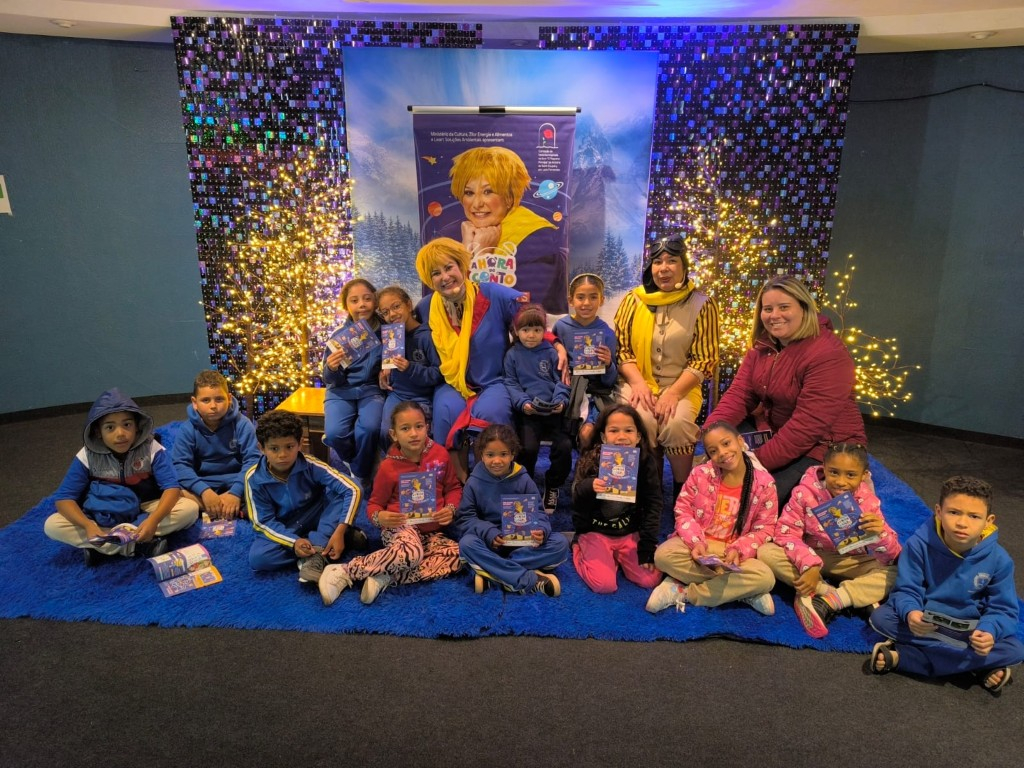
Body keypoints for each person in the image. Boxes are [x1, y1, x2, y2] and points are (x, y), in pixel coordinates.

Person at [705, 274, 865, 505]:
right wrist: (711, 434)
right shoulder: (763, 345)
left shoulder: (828, 353)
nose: (774, 315)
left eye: (784, 307)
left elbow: (806, 427)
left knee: (757, 499)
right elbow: (740, 394)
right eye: (768, 309)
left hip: (822, 445)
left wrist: (751, 463)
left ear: (804, 308)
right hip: (775, 429)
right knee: (722, 448)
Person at [415, 237, 565, 480]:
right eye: (436, 273)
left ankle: (493, 479)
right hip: (452, 383)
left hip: (493, 380)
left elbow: (529, 318)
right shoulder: (426, 308)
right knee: (446, 412)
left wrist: (555, 344)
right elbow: (409, 336)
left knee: (494, 414)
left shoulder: (494, 294)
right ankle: (459, 483)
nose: (445, 277)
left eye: (449, 267)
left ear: (461, 266)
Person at [869, 476, 1024, 693]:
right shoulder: (918, 545)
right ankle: (978, 666)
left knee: (1016, 649)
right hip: (926, 624)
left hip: (968, 631)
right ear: (938, 512)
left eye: (974, 516)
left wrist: (988, 632)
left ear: (988, 521)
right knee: (880, 618)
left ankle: (907, 658)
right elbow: (906, 589)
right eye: (954, 512)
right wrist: (911, 613)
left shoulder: (1000, 560)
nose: (962, 523)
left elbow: (1004, 609)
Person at [319, 402, 463, 606]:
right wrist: (380, 517)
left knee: (461, 556)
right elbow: (374, 505)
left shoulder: (440, 455)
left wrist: (450, 508)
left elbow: (454, 488)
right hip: (400, 528)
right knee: (411, 553)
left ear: (427, 427)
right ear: (394, 434)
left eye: (419, 426)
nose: (414, 433)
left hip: (432, 532)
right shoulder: (388, 467)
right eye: (405, 428)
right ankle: (345, 570)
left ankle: (387, 575)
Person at [613, 234, 720, 500]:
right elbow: (622, 349)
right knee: (640, 421)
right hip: (637, 381)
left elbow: (704, 359)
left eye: (671, 261)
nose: (664, 268)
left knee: (677, 423)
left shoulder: (702, 304)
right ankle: (647, 492)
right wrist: (638, 384)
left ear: (683, 266)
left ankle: (681, 493)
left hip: (681, 386)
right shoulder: (633, 300)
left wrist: (672, 393)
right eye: (658, 262)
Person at [758, 442, 901, 638]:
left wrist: (880, 533)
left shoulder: (868, 501)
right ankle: (832, 591)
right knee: (765, 552)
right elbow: (786, 533)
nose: (841, 481)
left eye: (850, 475)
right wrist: (809, 565)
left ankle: (832, 599)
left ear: (864, 475)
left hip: (848, 559)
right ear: (824, 468)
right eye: (834, 472)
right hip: (810, 555)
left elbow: (892, 555)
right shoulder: (804, 493)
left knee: (899, 570)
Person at [44, 388, 199, 564]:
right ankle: (138, 545)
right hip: (103, 512)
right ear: (98, 432)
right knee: (52, 525)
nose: (120, 434)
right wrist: (88, 526)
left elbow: (171, 488)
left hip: (145, 507)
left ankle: (102, 547)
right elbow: (64, 499)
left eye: (127, 425)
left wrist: (154, 520)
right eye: (110, 427)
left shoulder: (151, 448)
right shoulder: (87, 455)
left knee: (189, 509)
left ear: (136, 426)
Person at [646, 421, 777, 615]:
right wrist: (696, 542)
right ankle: (740, 590)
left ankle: (684, 591)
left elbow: (765, 529)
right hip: (701, 546)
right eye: (713, 451)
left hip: (734, 553)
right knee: (663, 556)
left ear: (740, 441)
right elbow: (683, 510)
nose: (722, 453)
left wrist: (739, 549)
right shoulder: (700, 474)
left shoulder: (765, 484)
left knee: (765, 578)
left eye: (726, 443)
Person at [444, 145, 568, 313]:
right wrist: (467, 250)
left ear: (509, 197)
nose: (477, 204)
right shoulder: (463, 234)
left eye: (488, 191)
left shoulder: (538, 241)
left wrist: (482, 255)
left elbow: (514, 309)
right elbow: (450, 303)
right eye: (469, 193)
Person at [244, 410, 362, 585]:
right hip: (286, 526)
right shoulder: (253, 478)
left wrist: (340, 529)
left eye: (289, 447)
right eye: (274, 448)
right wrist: (294, 542)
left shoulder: (311, 464)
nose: (282, 455)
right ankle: (324, 547)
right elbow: (262, 522)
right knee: (259, 559)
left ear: (300, 444)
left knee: (342, 493)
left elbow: (353, 488)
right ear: (261, 448)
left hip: (318, 516)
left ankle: (327, 541)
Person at [451, 424, 568, 596]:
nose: (497, 461)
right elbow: (466, 519)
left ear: (513, 454)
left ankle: (494, 572)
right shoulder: (473, 482)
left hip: (522, 545)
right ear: (481, 455)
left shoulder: (524, 480)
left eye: (503, 454)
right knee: (467, 544)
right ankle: (529, 579)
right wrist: (488, 532)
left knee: (560, 544)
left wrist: (541, 531)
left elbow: (539, 513)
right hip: (490, 544)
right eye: (490, 455)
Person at [570, 404, 663, 595]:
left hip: (629, 531)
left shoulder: (645, 462)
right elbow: (576, 500)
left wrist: (647, 546)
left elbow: (653, 504)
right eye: (614, 431)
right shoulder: (591, 459)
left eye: (628, 430)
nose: (621, 436)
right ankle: (580, 547)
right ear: (603, 437)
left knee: (650, 579)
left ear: (638, 436)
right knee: (604, 585)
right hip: (595, 531)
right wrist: (590, 486)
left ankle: (617, 558)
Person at [503, 303, 572, 512]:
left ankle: (553, 485)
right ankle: (527, 486)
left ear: (544, 331)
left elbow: (562, 380)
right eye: (526, 330)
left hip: (554, 412)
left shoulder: (551, 352)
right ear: (517, 331)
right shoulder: (512, 355)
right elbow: (511, 383)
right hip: (529, 413)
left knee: (564, 446)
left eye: (536, 330)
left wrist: (561, 401)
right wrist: (523, 403)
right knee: (527, 448)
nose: (531, 335)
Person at [171, 370, 261, 521]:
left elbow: (253, 460)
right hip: (203, 483)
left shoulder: (243, 424)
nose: (213, 406)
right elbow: (180, 465)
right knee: (173, 492)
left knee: (266, 485)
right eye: (205, 400)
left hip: (238, 481)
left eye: (219, 399)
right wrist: (204, 491)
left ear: (229, 399)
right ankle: (223, 505)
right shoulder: (187, 429)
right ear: (194, 403)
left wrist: (236, 492)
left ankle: (218, 505)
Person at [323, 277, 385, 492]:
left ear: (375, 301)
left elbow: (394, 361)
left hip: (371, 390)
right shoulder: (339, 337)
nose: (362, 305)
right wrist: (332, 368)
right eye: (354, 300)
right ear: (346, 306)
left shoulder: (387, 332)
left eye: (367, 299)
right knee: (334, 434)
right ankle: (354, 461)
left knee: (369, 429)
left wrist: (388, 369)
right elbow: (329, 379)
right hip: (340, 390)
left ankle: (360, 472)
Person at [553, 273, 618, 449]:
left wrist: (608, 364)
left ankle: (587, 463)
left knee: (588, 433)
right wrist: (558, 347)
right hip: (567, 391)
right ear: (571, 300)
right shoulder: (561, 327)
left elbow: (611, 381)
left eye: (593, 297)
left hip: (596, 394)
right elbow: (550, 350)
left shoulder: (607, 333)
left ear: (602, 300)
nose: (586, 303)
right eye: (580, 297)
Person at [375, 285, 444, 449]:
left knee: (415, 436)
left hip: (421, 398)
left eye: (396, 306)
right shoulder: (390, 337)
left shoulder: (427, 336)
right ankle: (393, 464)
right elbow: (387, 368)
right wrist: (383, 376)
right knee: (386, 433)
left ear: (409, 304)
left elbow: (438, 373)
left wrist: (410, 368)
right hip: (397, 395)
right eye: (385, 312)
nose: (392, 314)